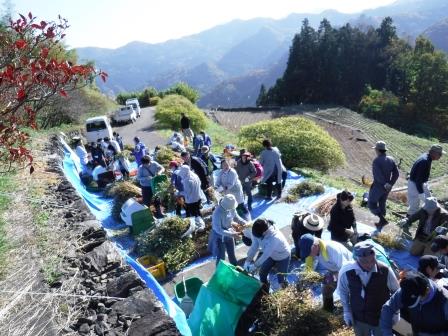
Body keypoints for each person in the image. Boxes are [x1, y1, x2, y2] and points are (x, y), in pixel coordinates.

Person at [337, 242, 399, 336]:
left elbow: (396, 292)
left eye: (372, 261)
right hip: (359, 317)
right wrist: (346, 311)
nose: (370, 265)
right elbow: (343, 291)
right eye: (365, 262)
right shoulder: (347, 271)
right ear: (357, 259)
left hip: (380, 317)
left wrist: (395, 312)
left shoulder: (385, 270)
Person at [380, 271, 448, 336]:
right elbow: (388, 308)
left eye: (415, 300)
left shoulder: (445, 302)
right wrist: (387, 333)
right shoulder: (407, 289)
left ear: (427, 291)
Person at [300, 233, 353, 311]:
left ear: (315, 245)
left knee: (347, 291)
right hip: (335, 270)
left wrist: (332, 277)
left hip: (350, 271)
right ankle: (328, 310)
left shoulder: (332, 250)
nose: (309, 255)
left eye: (309, 252)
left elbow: (345, 271)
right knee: (326, 289)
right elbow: (309, 268)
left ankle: (350, 311)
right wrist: (305, 280)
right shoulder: (313, 252)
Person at [244, 218, 291, 289]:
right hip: (271, 255)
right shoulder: (257, 228)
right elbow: (254, 246)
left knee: (282, 279)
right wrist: (247, 261)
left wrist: (254, 266)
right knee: (262, 273)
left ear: (264, 233)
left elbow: (265, 255)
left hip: (283, 256)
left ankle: (285, 291)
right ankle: (265, 288)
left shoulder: (274, 238)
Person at [368, 141, 399, 229]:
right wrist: (390, 184)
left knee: (371, 204)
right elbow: (396, 174)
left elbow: (378, 175)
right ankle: (381, 223)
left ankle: (382, 220)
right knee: (382, 203)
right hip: (387, 188)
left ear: (377, 150)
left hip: (378, 186)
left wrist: (385, 184)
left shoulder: (377, 161)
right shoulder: (391, 159)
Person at [408, 145, 445, 216]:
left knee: (430, 201)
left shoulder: (427, 158)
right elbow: (418, 181)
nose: (441, 156)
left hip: (420, 183)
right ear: (433, 153)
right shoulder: (424, 161)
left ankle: (429, 217)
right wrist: (421, 193)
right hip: (414, 184)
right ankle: (406, 222)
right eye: (440, 154)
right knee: (414, 206)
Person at [209, 194, 246, 266]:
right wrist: (232, 234)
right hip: (219, 237)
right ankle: (219, 274)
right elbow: (218, 229)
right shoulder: (217, 213)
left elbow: (236, 217)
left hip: (230, 232)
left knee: (232, 254)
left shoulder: (231, 206)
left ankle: (235, 270)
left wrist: (244, 223)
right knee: (221, 258)